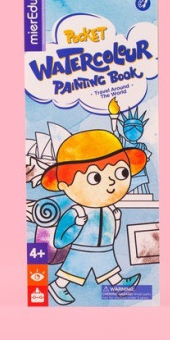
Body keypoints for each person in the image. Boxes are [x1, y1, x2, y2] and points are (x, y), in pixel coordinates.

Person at [41, 129, 147, 305]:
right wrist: (77, 224)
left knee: (109, 268)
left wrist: (117, 219)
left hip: (104, 250)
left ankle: (119, 285)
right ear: (64, 184)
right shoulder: (76, 212)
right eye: (95, 177)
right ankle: (57, 286)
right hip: (81, 251)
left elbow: (111, 236)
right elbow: (59, 241)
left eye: (122, 173)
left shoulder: (109, 210)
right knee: (72, 271)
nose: (111, 183)